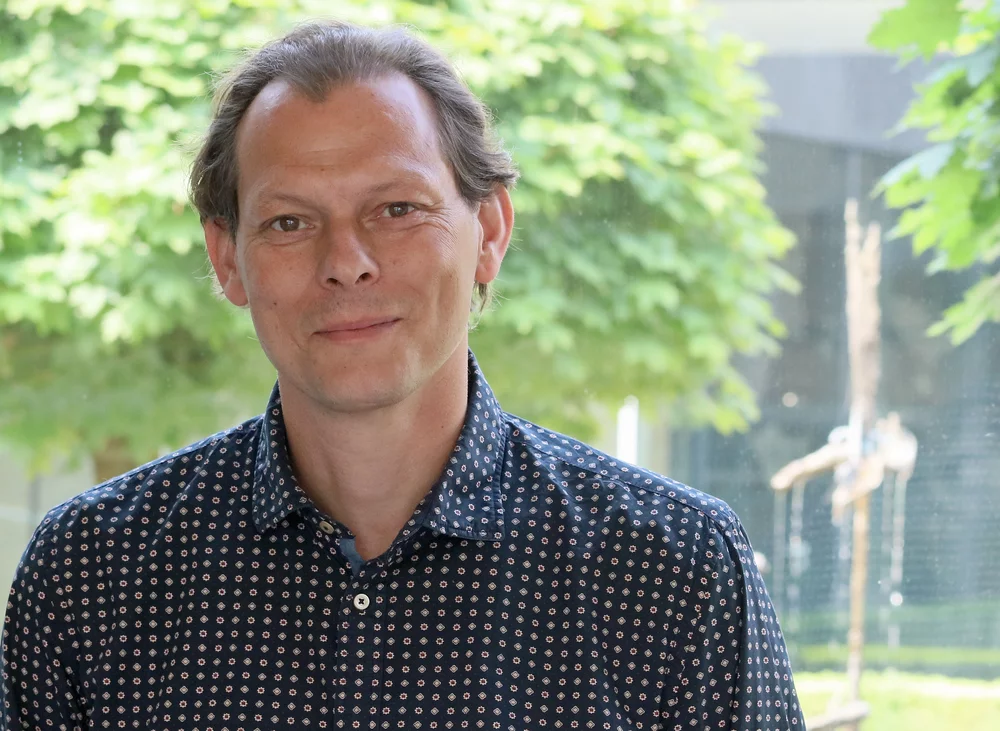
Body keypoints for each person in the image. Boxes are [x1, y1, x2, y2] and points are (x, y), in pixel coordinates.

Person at [0, 20, 804, 730]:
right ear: (227, 258)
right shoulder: (89, 577)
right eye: (289, 221)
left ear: (490, 230)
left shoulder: (673, 571)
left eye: (396, 209)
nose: (346, 262)